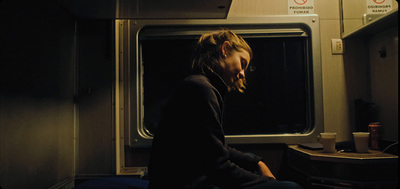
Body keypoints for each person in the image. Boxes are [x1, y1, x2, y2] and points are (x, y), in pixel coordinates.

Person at [148, 29, 302, 189]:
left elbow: (213, 147)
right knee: (291, 187)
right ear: (225, 49)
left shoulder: (202, 86)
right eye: (242, 64)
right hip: (187, 184)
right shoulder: (200, 88)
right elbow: (218, 167)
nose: (243, 74)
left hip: (190, 177)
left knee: (248, 158)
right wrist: (271, 183)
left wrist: (256, 161)